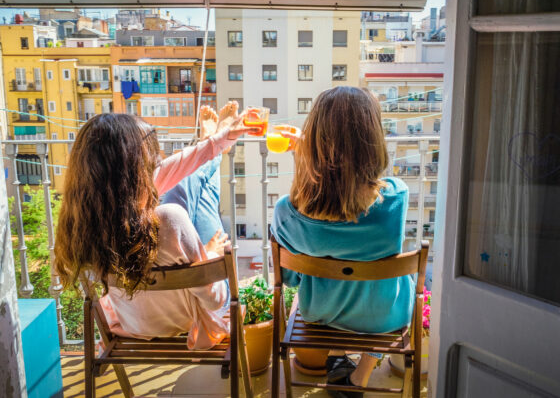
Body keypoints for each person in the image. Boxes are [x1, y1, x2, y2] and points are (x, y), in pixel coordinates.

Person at [55, 104, 255, 350]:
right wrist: (210, 255)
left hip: (131, 323)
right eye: (151, 162)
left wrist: (220, 139)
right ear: (135, 174)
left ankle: (210, 145)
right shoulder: (170, 219)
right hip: (189, 321)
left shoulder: (79, 228)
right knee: (192, 190)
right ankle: (213, 152)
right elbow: (215, 301)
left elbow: (168, 172)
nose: (157, 162)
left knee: (184, 184)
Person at [271, 86, 413, 397]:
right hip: (384, 316)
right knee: (385, 286)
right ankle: (360, 377)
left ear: (313, 143)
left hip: (322, 313)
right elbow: (366, 192)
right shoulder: (397, 197)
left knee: (334, 282)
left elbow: (291, 279)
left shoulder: (286, 212)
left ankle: (337, 357)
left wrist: (305, 158)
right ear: (373, 141)